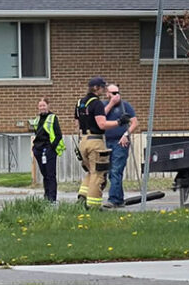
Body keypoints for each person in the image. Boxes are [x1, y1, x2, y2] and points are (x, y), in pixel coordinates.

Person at [74, 77, 131, 209]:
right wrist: (119, 122)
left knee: (90, 171)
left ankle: (82, 198)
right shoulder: (97, 103)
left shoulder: (80, 103)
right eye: (102, 87)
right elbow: (102, 124)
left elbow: (77, 123)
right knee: (98, 174)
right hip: (95, 141)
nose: (104, 90)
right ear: (96, 88)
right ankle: (93, 206)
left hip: (83, 140)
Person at [102, 84, 139, 209]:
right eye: (112, 93)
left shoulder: (125, 106)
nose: (115, 95)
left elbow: (134, 122)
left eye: (117, 93)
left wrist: (126, 134)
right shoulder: (104, 105)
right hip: (107, 142)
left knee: (116, 170)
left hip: (120, 142)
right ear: (107, 94)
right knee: (111, 171)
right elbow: (101, 118)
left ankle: (113, 199)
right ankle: (119, 199)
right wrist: (111, 104)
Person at [31, 97, 65, 203]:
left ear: (48, 106)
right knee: (45, 175)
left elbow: (58, 135)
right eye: (40, 106)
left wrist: (51, 147)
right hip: (39, 150)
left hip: (48, 149)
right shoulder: (37, 119)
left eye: (44, 105)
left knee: (50, 175)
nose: (42, 108)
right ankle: (46, 197)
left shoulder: (52, 118)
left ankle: (52, 199)